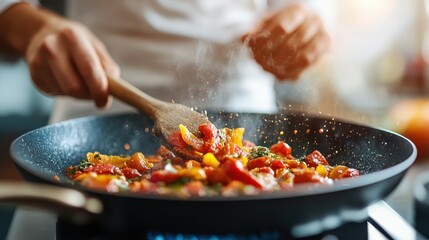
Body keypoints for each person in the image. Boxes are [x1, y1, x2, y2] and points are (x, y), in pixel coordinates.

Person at [0, 0, 330, 124]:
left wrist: (305, 29)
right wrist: (33, 28)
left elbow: (312, 14)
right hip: (94, 117)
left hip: (246, 120)